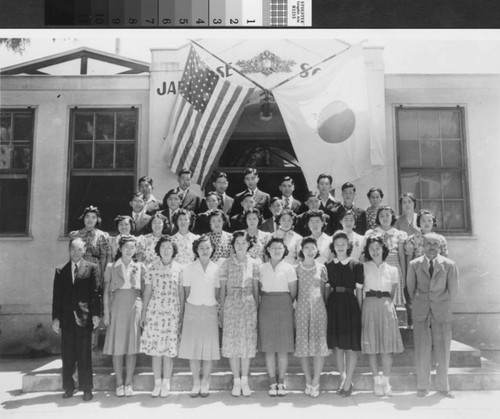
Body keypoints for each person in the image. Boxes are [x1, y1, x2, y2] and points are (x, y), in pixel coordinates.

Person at [407, 233, 459, 398]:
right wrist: (419, 301)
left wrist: (443, 304)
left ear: (440, 247)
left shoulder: (449, 265)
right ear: (422, 245)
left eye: (435, 244)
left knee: (443, 347)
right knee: (422, 348)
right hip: (421, 309)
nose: (431, 247)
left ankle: (444, 387)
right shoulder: (414, 264)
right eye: (428, 243)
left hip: (441, 310)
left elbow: (453, 291)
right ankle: (423, 386)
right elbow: (410, 288)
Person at [52, 238, 100, 401]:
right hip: (66, 319)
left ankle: (86, 388)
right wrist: (56, 318)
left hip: (84, 318)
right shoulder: (60, 270)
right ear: (69, 250)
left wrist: (95, 314)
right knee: (68, 354)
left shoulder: (92, 268)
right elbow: (56, 297)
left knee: (84, 354)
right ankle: (69, 386)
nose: (75, 252)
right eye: (73, 249)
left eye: (79, 249)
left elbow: (95, 293)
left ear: (84, 250)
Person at [140, 236, 184, 398]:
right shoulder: (151, 267)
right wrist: (144, 312)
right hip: (155, 312)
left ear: (174, 251)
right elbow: (148, 291)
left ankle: (166, 382)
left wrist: (181, 314)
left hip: (172, 312)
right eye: (163, 247)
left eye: (169, 247)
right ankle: (157, 383)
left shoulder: (180, 268)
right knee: (156, 350)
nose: (166, 250)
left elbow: (181, 293)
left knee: (168, 350)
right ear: (158, 249)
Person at [103, 235, 146, 397]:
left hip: (135, 305)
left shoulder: (140, 266)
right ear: (120, 248)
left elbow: (145, 291)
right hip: (117, 306)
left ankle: (128, 383)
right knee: (118, 346)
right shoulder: (111, 266)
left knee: (131, 346)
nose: (129, 250)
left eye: (132, 247)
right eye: (126, 247)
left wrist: (144, 314)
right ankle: (119, 383)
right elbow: (106, 292)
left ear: (136, 250)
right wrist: (106, 313)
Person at [178, 235, 221, 397]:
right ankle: (196, 381)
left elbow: (217, 293)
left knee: (209, 348)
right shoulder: (188, 268)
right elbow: (187, 292)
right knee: (194, 348)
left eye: (207, 248)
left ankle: (205, 382)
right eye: (201, 247)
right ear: (196, 249)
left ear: (212, 249)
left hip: (209, 311)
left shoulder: (217, 268)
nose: (204, 250)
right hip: (193, 310)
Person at [361, 234, 404, 397]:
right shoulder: (363, 267)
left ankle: (386, 381)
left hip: (386, 307)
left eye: (378, 248)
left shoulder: (392, 270)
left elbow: (392, 293)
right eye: (371, 248)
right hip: (369, 306)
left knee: (386, 349)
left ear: (383, 249)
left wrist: (385, 304)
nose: (375, 251)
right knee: (372, 347)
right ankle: (376, 382)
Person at [219, 232, 260, 397]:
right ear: (233, 245)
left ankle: (245, 380)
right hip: (231, 302)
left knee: (247, 342)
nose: (241, 245)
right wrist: (222, 310)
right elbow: (222, 289)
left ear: (249, 244)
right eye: (238, 242)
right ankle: (236, 381)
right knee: (232, 342)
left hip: (248, 302)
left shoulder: (255, 264)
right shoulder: (226, 264)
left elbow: (256, 289)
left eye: (244, 242)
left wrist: (256, 307)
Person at [258, 237, 298, 396]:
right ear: (268, 250)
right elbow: (259, 289)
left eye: (280, 248)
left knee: (282, 347)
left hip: (284, 305)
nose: (276, 251)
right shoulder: (261, 268)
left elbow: (293, 291)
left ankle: (281, 382)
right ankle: (272, 382)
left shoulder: (289, 268)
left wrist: (285, 302)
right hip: (267, 304)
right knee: (268, 348)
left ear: (284, 251)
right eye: (273, 248)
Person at [325, 231, 364, 397]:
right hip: (334, 304)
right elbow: (326, 290)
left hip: (350, 304)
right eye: (337, 244)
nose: (340, 247)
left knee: (350, 345)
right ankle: (343, 378)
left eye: (343, 244)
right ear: (333, 246)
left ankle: (348, 381)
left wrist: (360, 310)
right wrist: (326, 308)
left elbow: (359, 291)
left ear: (348, 246)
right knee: (338, 346)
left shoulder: (356, 265)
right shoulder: (328, 265)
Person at [294, 237, 330, 398]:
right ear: (302, 250)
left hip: (318, 308)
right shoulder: (296, 269)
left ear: (317, 250)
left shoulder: (322, 268)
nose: (310, 250)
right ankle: (308, 379)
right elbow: (294, 292)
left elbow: (324, 291)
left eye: (312, 247)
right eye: (306, 248)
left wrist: (321, 305)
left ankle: (316, 380)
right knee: (302, 344)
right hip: (301, 308)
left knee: (318, 344)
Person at [365, 206, 408, 308]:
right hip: (377, 267)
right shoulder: (373, 233)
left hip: (395, 266)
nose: (385, 218)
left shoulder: (398, 234)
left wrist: (403, 274)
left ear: (392, 217)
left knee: (394, 299)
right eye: (381, 215)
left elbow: (401, 256)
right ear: (378, 218)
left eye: (387, 215)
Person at [69, 205, 109, 287]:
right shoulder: (76, 235)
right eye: (87, 217)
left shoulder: (101, 235)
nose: (90, 220)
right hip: (79, 268)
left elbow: (103, 257)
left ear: (97, 220)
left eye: (93, 217)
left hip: (95, 269)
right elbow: (72, 255)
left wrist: (102, 275)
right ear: (83, 218)